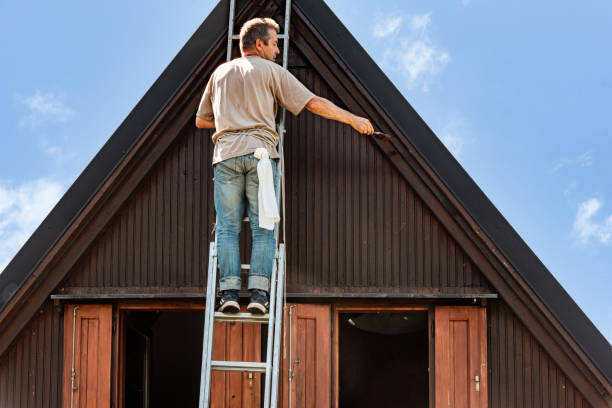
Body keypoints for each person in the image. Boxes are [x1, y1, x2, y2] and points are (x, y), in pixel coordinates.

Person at [195, 17, 373, 314]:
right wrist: (353, 119)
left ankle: (227, 294)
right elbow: (313, 102)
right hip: (261, 156)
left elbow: (202, 120)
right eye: (275, 45)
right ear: (259, 44)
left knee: (227, 228)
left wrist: (232, 119)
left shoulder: (220, 73)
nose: (278, 52)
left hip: (225, 156)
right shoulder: (271, 72)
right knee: (264, 227)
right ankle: (259, 296)